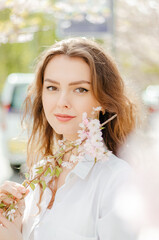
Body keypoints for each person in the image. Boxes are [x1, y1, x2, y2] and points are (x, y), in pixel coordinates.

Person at [0, 37, 138, 240]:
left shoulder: (117, 181)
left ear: (104, 100)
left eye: (80, 89)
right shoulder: (41, 173)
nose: (62, 102)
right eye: (52, 88)